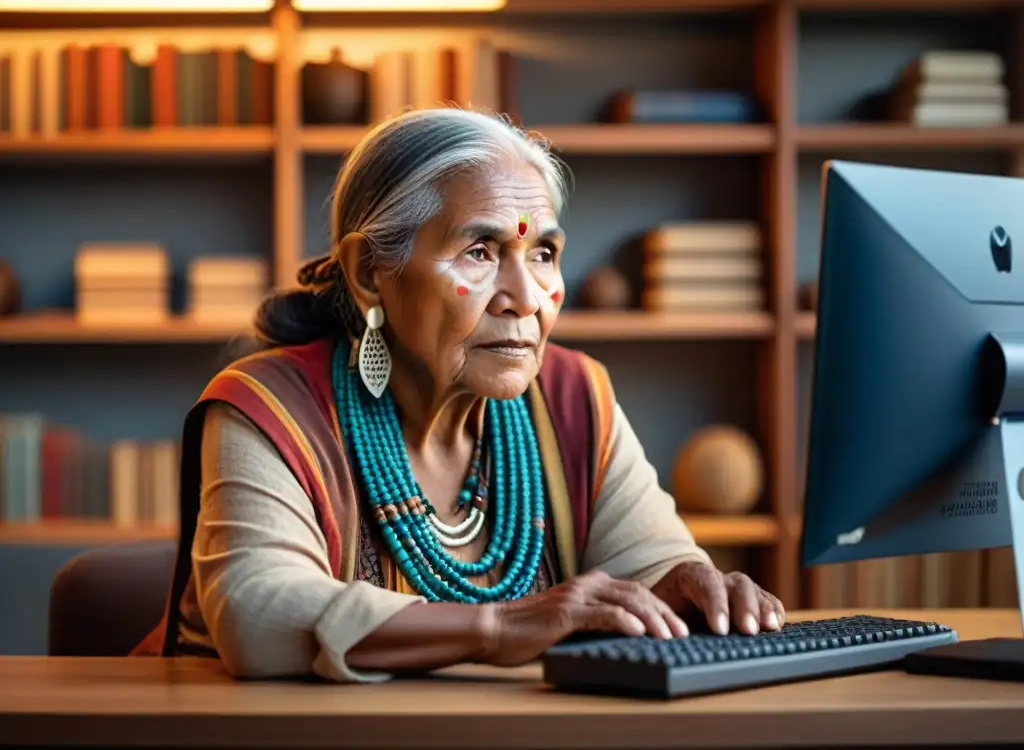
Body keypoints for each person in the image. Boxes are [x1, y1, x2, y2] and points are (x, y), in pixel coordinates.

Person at [135, 108, 785, 681]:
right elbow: (258, 615)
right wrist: (497, 628)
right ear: (370, 273)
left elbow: (649, 563)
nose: (527, 300)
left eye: (543, 253)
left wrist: (688, 586)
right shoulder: (269, 406)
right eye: (480, 251)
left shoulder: (575, 395)